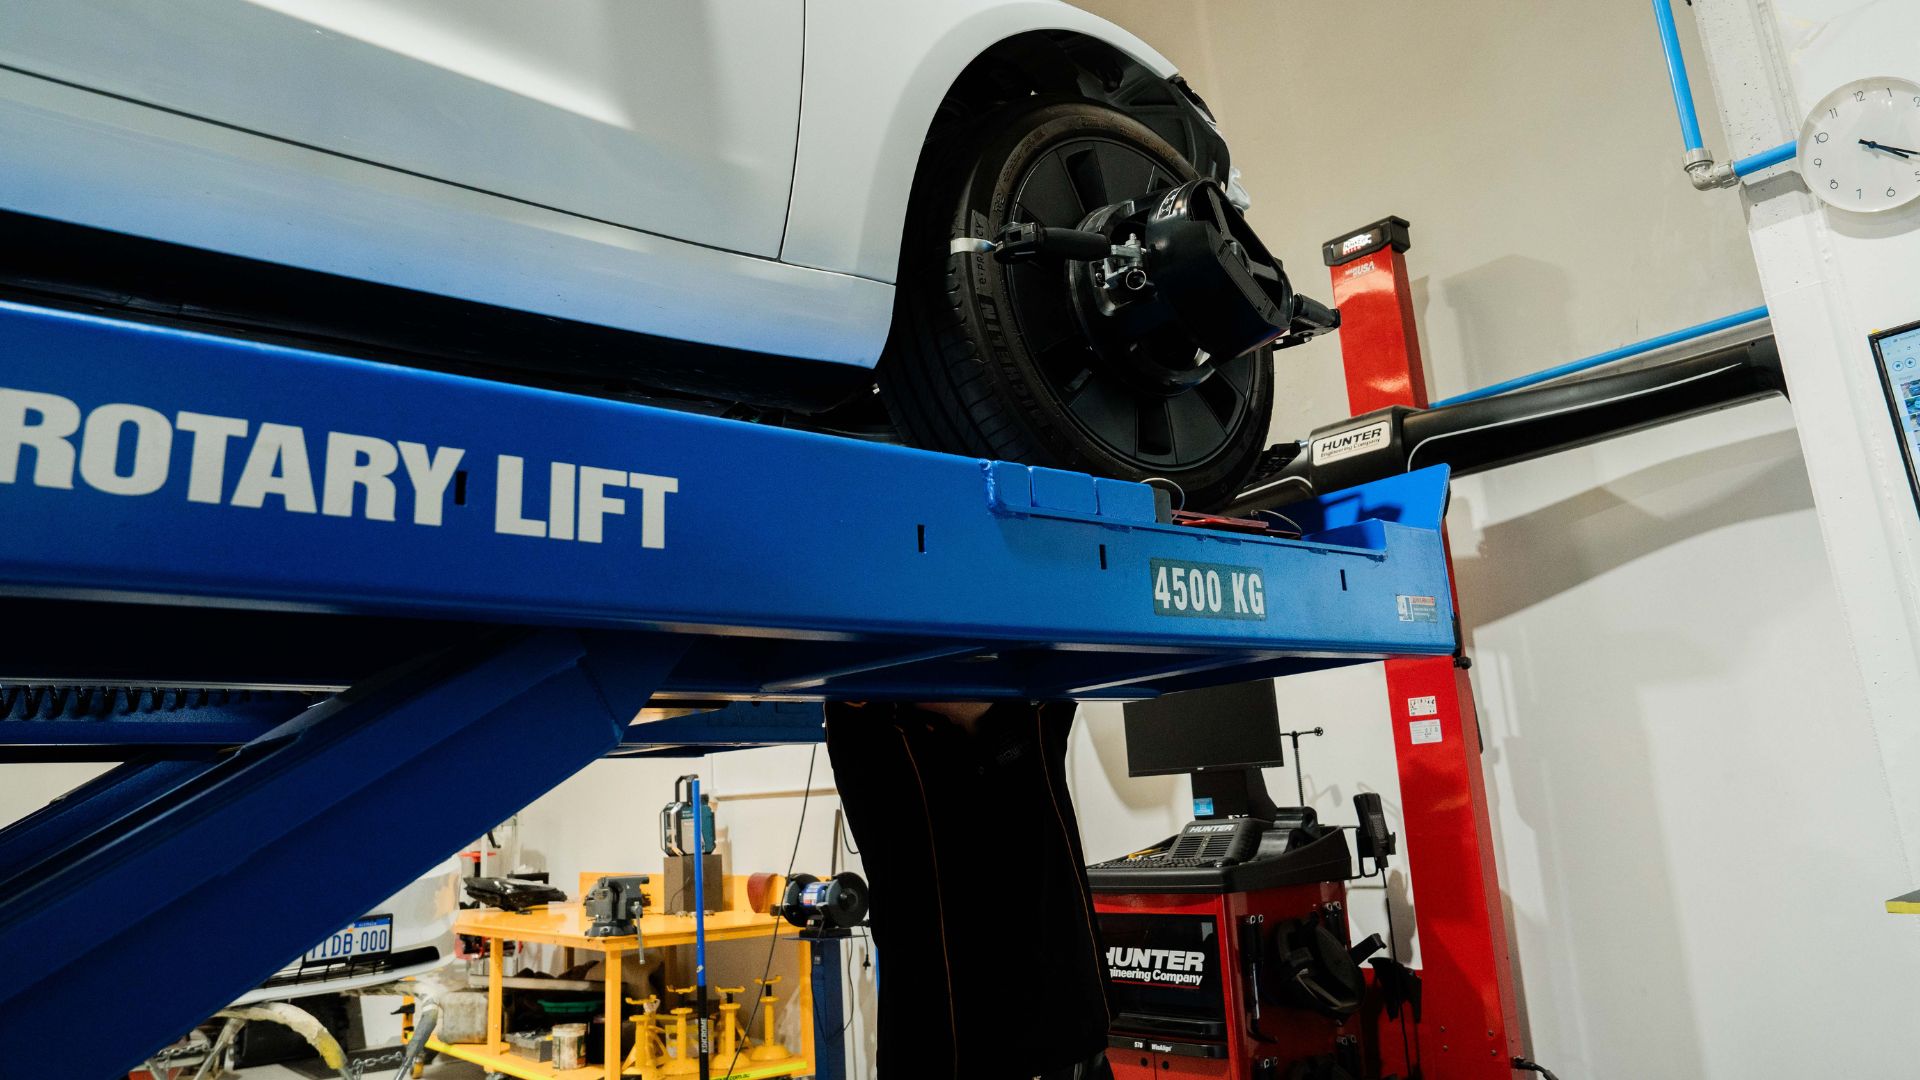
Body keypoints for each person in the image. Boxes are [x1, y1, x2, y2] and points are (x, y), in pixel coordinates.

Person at [825, 700, 1112, 1079]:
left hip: (1072, 1049)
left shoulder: (1031, 717)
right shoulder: (876, 735)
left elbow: (1067, 663)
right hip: (954, 1055)